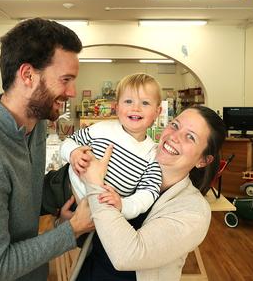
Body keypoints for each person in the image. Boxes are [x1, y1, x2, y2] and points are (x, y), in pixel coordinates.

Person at [0, 18, 94, 281]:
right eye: (65, 79)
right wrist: (71, 230)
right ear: (27, 75)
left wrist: (78, 182)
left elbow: (23, 200)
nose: (72, 92)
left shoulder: (34, 129)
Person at [77, 106, 227, 281]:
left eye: (190, 137)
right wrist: (72, 225)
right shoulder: (127, 165)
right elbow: (95, 232)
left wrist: (95, 184)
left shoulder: (194, 211)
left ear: (203, 160)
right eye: (175, 125)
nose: (174, 137)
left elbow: (127, 256)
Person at [43, 73, 163, 220]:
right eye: (128, 101)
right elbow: (69, 141)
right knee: (27, 204)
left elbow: (148, 193)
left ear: (157, 112)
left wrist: (123, 205)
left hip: (98, 213)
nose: (135, 108)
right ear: (117, 108)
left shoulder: (152, 155)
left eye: (145, 103)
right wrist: (73, 153)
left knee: (76, 242)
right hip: (62, 185)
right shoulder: (102, 129)